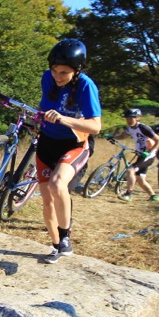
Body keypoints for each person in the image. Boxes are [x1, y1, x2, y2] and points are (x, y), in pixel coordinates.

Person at [38, 39, 102, 264]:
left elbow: (96, 126)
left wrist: (65, 119)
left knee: (57, 184)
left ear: (78, 70)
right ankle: (57, 246)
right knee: (47, 202)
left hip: (73, 144)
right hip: (46, 142)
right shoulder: (47, 78)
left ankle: (65, 235)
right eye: (54, 70)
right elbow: (44, 106)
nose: (57, 76)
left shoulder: (85, 85)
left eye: (64, 72)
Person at [110, 108, 159, 202]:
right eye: (127, 118)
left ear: (138, 118)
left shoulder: (143, 128)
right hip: (141, 155)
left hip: (148, 155)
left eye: (131, 118)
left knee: (130, 170)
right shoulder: (130, 128)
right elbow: (123, 136)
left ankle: (128, 194)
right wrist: (113, 137)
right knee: (140, 179)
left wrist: (150, 152)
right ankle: (153, 196)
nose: (129, 120)